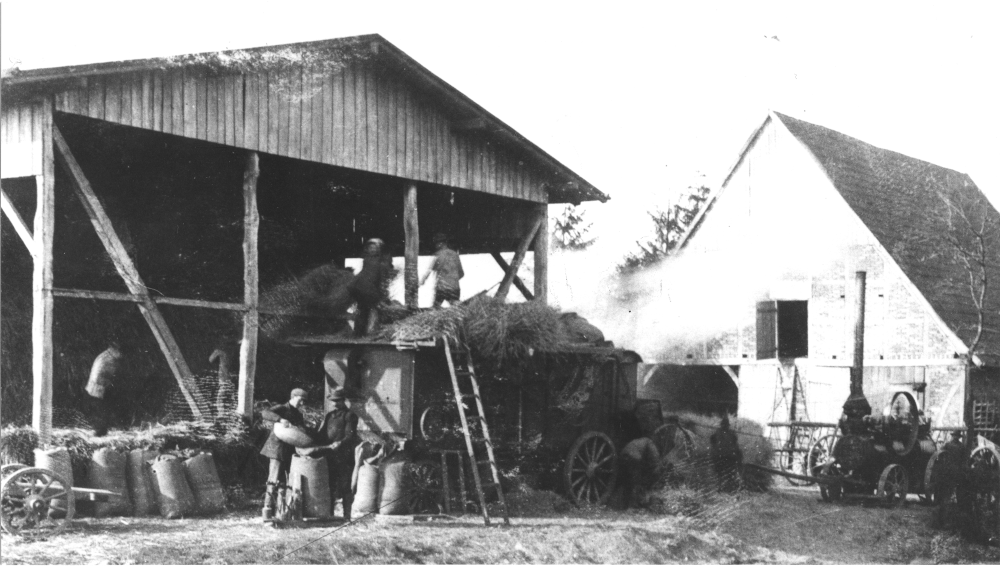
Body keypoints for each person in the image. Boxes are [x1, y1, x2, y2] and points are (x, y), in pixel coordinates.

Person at [259, 388, 308, 520]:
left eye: (304, 401)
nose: (302, 403)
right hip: (276, 449)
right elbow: (265, 412)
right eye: (301, 400)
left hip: (289, 451)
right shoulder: (282, 408)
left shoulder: (298, 414)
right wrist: (280, 420)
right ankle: (267, 511)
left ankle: (280, 512)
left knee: (285, 483)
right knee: (273, 480)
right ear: (293, 396)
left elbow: (301, 431)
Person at [310, 387, 359, 521]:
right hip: (330, 455)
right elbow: (322, 435)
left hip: (344, 456)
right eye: (332, 401)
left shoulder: (350, 416)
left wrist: (339, 443)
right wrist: (310, 437)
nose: (334, 403)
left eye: (337, 401)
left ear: (343, 400)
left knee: (345, 486)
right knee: (330, 484)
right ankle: (330, 514)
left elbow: (350, 435)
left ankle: (346, 516)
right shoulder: (329, 416)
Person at [620, 424, 676, 508]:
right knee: (636, 482)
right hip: (635, 457)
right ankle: (635, 505)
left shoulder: (641, 440)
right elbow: (655, 461)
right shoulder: (650, 442)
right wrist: (658, 471)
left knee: (628, 482)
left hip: (623, 454)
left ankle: (625, 505)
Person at [348, 238, 391, 336]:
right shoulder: (373, 260)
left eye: (374, 248)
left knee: (364, 310)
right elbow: (379, 277)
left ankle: (359, 333)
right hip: (365, 288)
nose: (372, 249)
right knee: (369, 309)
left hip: (363, 288)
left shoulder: (372, 260)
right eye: (370, 247)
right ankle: (370, 332)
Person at [85, 343, 123, 436]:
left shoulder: (109, 356)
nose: (122, 355)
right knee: (102, 417)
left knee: (104, 415)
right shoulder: (106, 360)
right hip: (98, 391)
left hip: (100, 390)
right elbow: (98, 378)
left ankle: (103, 432)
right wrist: (111, 384)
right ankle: (100, 434)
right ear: (114, 349)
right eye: (120, 351)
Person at [419, 233, 464, 307]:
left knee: (435, 309)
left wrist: (421, 282)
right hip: (455, 288)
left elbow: (429, 271)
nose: (435, 246)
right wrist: (452, 279)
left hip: (442, 289)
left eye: (436, 243)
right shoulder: (455, 255)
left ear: (440, 243)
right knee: (456, 310)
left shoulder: (438, 255)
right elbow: (462, 273)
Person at [709, 414, 743, 492]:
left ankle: (722, 487)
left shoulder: (719, 432)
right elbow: (735, 443)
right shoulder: (730, 433)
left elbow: (712, 441)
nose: (725, 426)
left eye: (725, 425)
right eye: (725, 425)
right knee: (723, 473)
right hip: (725, 456)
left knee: (721, 473)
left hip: (723, 456)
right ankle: (722, 487)